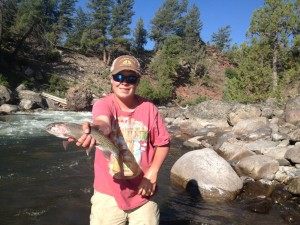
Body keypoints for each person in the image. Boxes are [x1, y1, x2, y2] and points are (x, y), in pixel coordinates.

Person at [75, 55, 171, 225]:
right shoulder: (103, 104)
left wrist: (152, 173)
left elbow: (162, 143)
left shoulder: (149, 109)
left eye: (131, 78)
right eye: (119, 77)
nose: (124, 82)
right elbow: (102, 122)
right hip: (108, 191)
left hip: (143, 190)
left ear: (138, 81)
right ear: (111, 79)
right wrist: (96, 129)